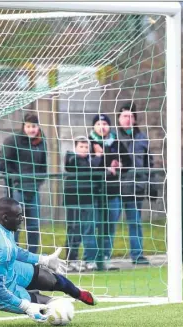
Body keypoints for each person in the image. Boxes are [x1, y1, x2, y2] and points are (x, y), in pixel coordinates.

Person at [0, 197, 97, 322]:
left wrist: (43, 260)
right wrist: (26, 306)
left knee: (49, 278)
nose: (22, 219)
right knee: (45, 306)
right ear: (5, 218)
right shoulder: (1, 248)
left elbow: (13, 250)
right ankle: (40, 300)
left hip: (8, 268)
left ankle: (78, 293)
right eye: (19, 216)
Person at [0, 113, 47, 254]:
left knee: (33, 225)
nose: (31, 129)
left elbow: (43, 167)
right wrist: (16, 180)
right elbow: (4, 166)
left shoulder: (41, 142)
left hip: (34, 189)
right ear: (23, 126)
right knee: (15, 225)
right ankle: (14, 255)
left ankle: (33, 256)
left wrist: (37, 182)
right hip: (17, 190)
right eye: (28, 126)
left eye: (34, 126)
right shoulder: (12, 141)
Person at [88, 113, 131, 270]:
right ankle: (91, 258)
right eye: (98, 124)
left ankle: (106, 256)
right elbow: (84, 164)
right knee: (94, 225)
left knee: (109, 226)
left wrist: (119, 165)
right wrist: (102, 161)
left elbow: (128, 162)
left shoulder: (116, 143)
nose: (102, 127)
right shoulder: (88, 142)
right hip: (94, 192)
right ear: (94, 126)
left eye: (105, 124)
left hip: (112, 191)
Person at [114, 103, 153, 265]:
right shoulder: (112, 137)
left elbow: (149, 163)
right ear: (118, 118)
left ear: (135, 119)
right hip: (115, 188)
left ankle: (137, 255)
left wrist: (150, 185)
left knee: (135, 222)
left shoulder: (142, 138)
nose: (128, 120)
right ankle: (103, 258)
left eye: (131, 116)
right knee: (109, 224)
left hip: (135, 188)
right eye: (124, 116)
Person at [63, 136, 104, 272]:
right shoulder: (71, 158)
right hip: (73, 199)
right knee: (74, 229)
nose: (84, 149)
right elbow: (81, 168)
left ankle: (89, 260)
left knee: (89, 229)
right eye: (81, 147)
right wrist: (98, 157)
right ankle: (71, 260)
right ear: (75, 148)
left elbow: (96, 173)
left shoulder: (90, 160)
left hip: (89, 198)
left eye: (86, 147)